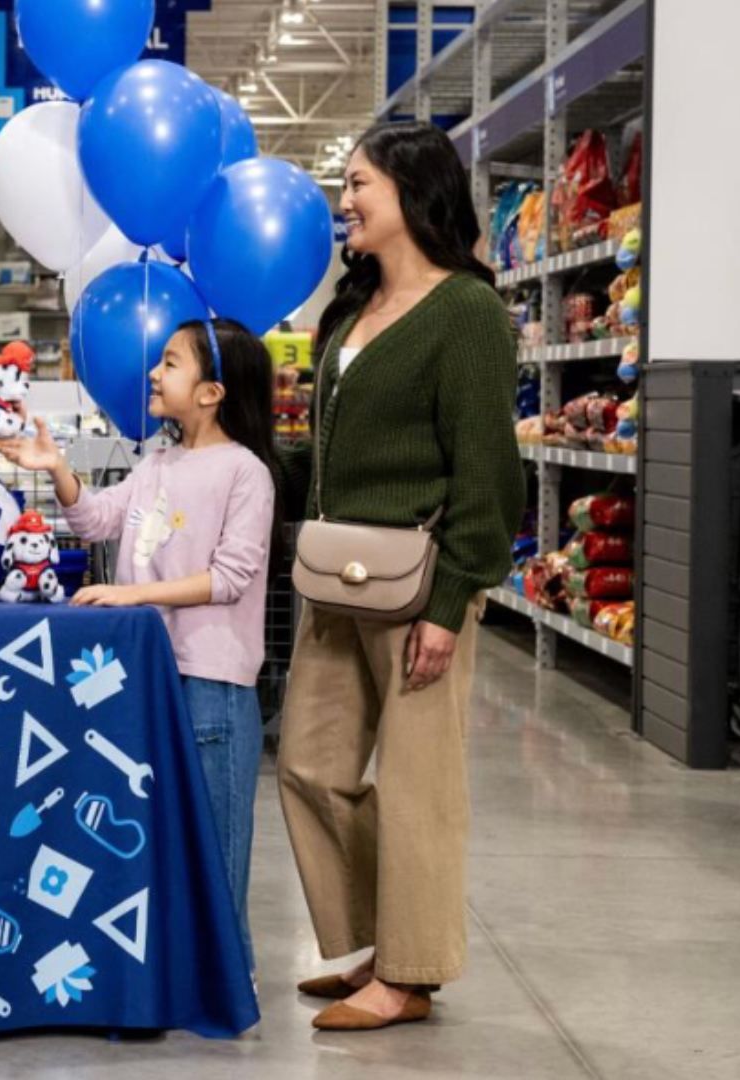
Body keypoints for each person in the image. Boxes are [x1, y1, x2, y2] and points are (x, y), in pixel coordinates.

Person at [274, 121, 524, 1031]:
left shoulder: (466, 314)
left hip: (420, 584)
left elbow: (491, 472)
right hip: (335, 580)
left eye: (359, 184)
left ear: (412, 193)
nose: (345, 201)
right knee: (309, 764)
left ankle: (410, 973)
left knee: (420, 785)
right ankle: (367, 946)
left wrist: (454, 601)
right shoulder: (348, 313)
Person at [0, 318, 277, 975]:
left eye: (172, 363)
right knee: (158, 840)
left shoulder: (245, 473)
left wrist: (133, 597)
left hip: (212, 683)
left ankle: (227, 979)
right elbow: (96, 519)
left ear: (211, 392)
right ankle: (173, 978)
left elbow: (232, 578)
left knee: (216, 844)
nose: (154, 372)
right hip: (145, 676)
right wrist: (57, 469)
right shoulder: (157, 461)